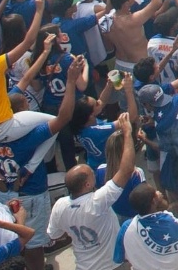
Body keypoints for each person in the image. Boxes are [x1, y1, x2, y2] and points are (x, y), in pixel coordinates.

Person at [46, 115, 137, 270]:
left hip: (83, 266)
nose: (94, 175)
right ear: (87, 184)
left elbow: (54, 235)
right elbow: (126, 170)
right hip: (112, 265)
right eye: (91, 174)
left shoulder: (60, 205)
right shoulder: (97, 201)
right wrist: (128, 133)